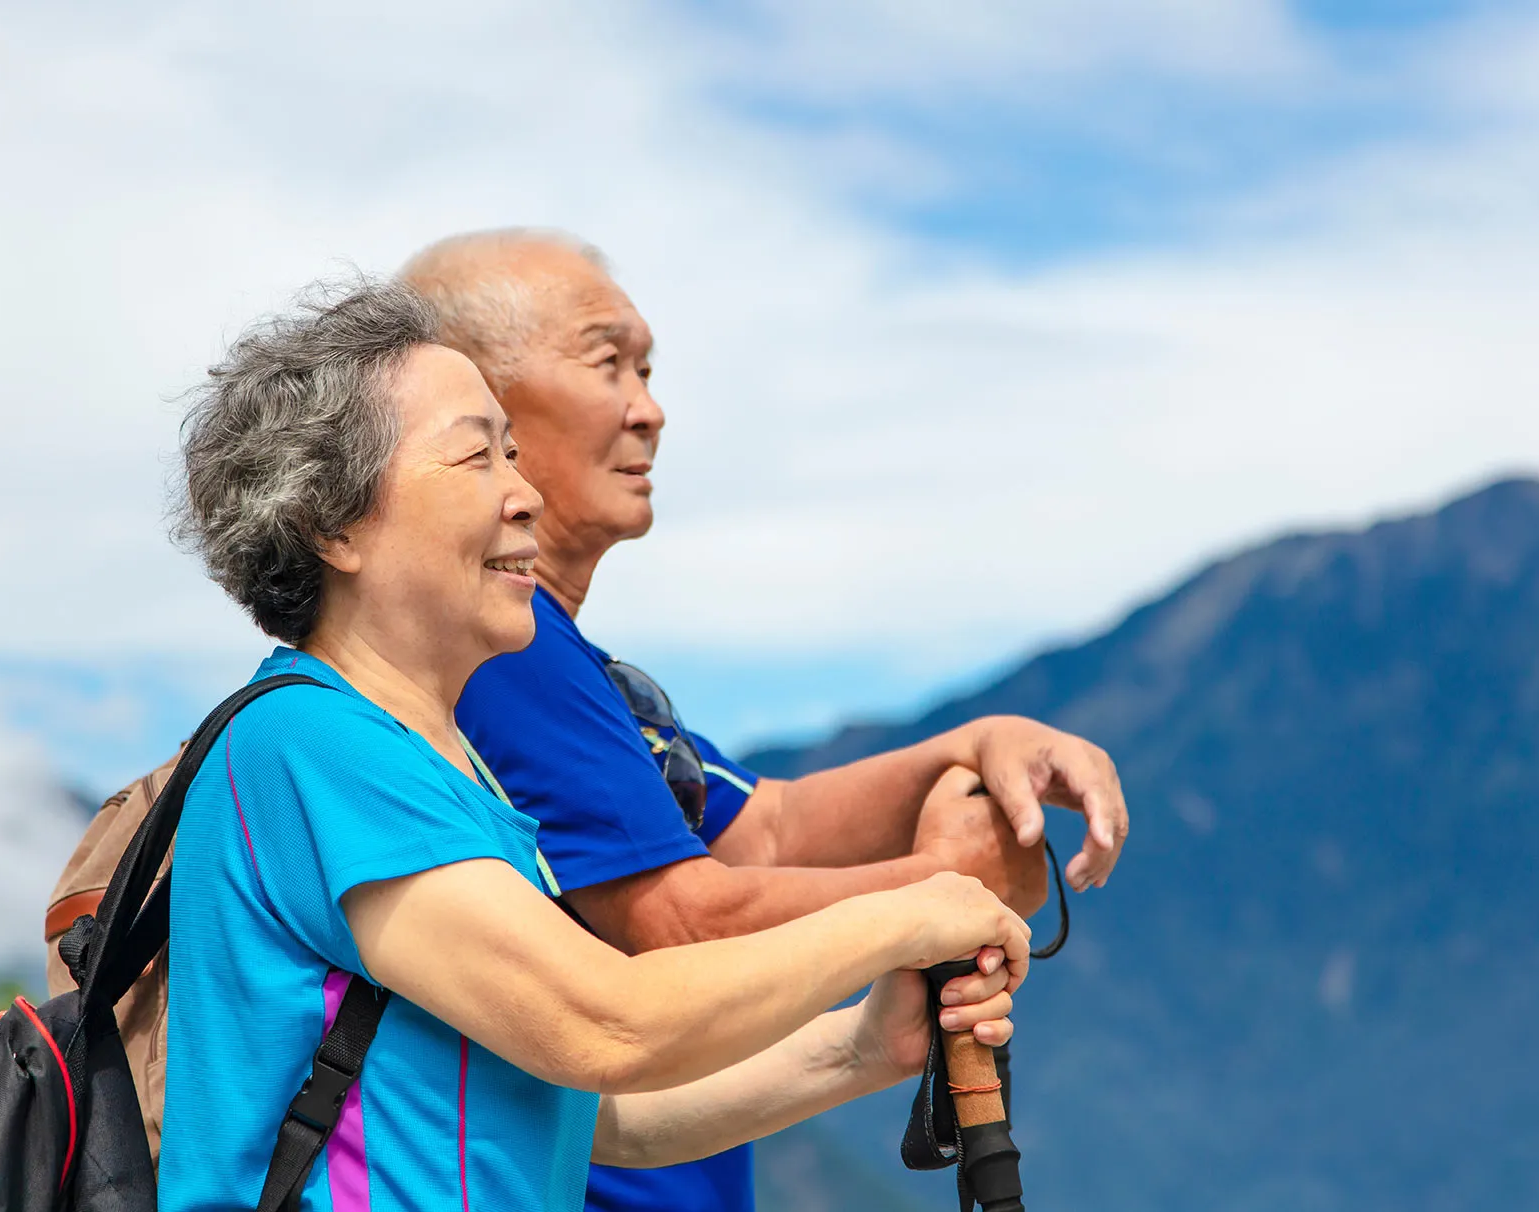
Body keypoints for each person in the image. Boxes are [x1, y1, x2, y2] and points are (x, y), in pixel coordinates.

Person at [154, 278, 1029, 1212]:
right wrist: (909, 910)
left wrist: (860, 1049)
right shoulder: (309, 742)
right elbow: (604, 1023)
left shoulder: (441, 763)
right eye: (477, 459)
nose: (525, 495)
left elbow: (598, 1109)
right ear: (334, 522)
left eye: (516, 455)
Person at [401, 229, 1132, 1212]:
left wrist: (974, 747)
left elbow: (771, 828)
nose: (650, 410)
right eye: (608, 362)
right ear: (482, 407)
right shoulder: (502, 650)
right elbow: (680, 921)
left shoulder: (574, 671)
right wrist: (948, 889)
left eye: (650, 370)